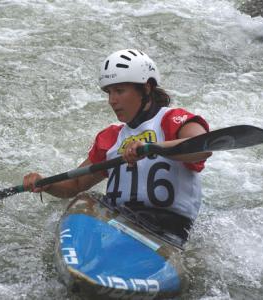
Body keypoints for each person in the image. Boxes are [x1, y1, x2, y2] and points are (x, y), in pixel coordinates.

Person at [23, 49, 212, 242]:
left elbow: (201, 147)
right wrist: (46, 183)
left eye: (120, 91)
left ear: (146, 89)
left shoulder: (173, 120)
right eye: (109, 92)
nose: (112, 100)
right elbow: (76, 184)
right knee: (85, 200)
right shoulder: (111, 137)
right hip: (120, 222)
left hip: (169, 230)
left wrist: (151, 147)